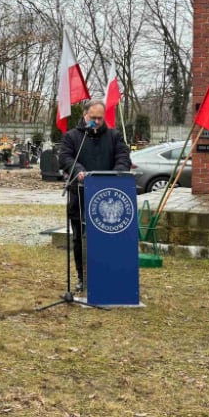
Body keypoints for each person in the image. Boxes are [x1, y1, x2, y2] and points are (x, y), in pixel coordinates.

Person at [58, 100, 131, 289]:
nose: (97, 121)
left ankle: (107, 275)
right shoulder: (73, 137)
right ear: (85, 116)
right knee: (80, 238)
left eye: (100, 118)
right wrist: (78, 171)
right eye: (93, 118)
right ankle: (83, 277)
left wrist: (118, 172)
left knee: (107, 237)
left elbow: (123, 157)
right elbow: (65, 157)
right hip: (80, 195)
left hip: (108, 197)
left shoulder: (114, 136)